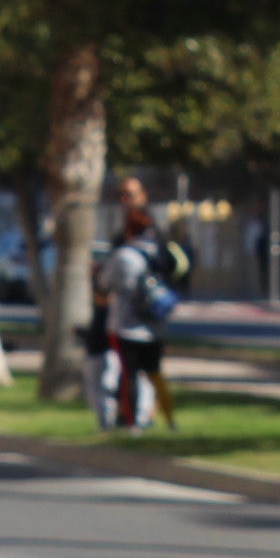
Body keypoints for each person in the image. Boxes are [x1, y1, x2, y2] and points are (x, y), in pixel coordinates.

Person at [95, 177, 173, 432]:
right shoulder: (155, 243)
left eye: (130, 194)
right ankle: (165, 418)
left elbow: (106, 282)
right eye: (122, 195)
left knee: (130, 374)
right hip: (154, 320)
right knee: (153, 372)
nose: (125, 200)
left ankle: (131, 421)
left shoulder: (129, 249)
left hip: (130, 322)